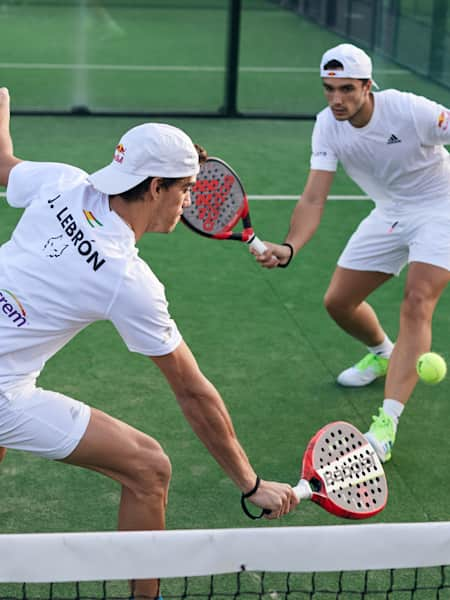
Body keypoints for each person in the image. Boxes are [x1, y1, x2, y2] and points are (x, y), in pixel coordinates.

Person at [0, 87, 298, 599]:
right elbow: (192, 392)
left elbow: (2, 164)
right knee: (149, 468)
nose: (188, 204)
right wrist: (251, 484)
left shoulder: (62, 182)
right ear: (156, 186)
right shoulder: (126, 277)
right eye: (185, 190)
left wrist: (2, 108)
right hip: (6, 389)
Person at [255, 43, 450, 464]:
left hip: (441, 207)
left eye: (346, 89)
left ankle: (387, 424)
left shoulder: (408, 109)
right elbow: (313, 197)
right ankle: (384, 354)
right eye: (329, 89)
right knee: (339, 302)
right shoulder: (327, 125)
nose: (337, 99)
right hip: (391, 212)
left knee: (417, 301)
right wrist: (291, 246)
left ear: (367, 85)